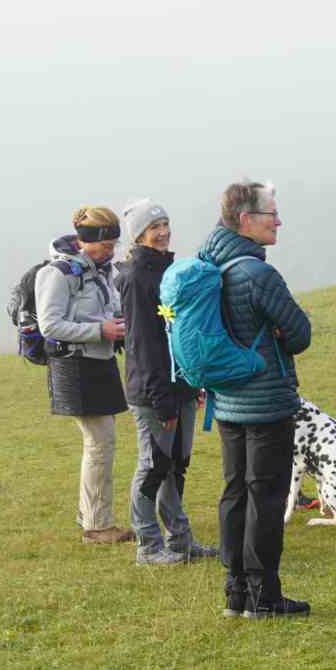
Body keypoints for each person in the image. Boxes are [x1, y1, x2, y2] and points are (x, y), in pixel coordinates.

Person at [201, 180, 314, 619]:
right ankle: (264, 595)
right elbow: (300, 334)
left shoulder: (209, 263)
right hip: (265, 402)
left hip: (227, 400)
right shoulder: (256, 274)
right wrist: (281, 334)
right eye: (272, 215)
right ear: (246, 220)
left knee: (234, 492)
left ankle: (235, 592)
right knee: (265, 496)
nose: (278, 222)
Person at [114, 198, 215, 566]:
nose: (162, 232)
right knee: (154, 465)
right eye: (153, 227)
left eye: (165, 224)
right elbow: (143, 345)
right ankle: (148, 545)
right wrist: (162, 400)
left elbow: (178, 335)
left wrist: (193, 381)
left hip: (180, 385)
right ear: (138, 235)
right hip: (154, 392)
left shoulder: (169, 271)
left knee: (176, 463)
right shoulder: (135, 278)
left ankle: (180, 541)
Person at [37, 205, 133, 545]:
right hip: (76, 366)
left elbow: (106, 309)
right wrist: (99, 330)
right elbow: (50, 325)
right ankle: (97, 526)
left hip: (99, 361)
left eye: (113, 245)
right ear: (86, 240)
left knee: (100, 442)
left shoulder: (99, 271)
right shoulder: (57, 273)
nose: (111, 251)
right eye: (106, 245)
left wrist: (117, 322)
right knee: (99, 443)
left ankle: (90, 515)